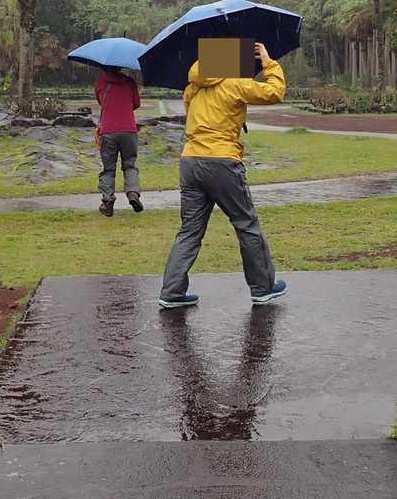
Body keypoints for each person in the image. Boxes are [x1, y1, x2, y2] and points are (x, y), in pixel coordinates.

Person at [159, 41, 288, 309]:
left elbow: (199, 114)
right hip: (222, 161)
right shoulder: (234, 84)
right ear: (229, 61)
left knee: (190, 229)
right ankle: (262, 287)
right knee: (246, 223)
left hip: (190, 161)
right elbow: (275, 92)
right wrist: (267, 61)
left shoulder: (192, 88)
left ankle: (171, 291)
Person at [94, 66, 142, 216]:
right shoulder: (129, 82)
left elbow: (101, 102)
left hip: (108, 131)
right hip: (129, 130)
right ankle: (133, 193)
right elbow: (136, 103)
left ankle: (108, 203)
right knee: (129, 165)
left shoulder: (101, 82)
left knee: (108, 169)